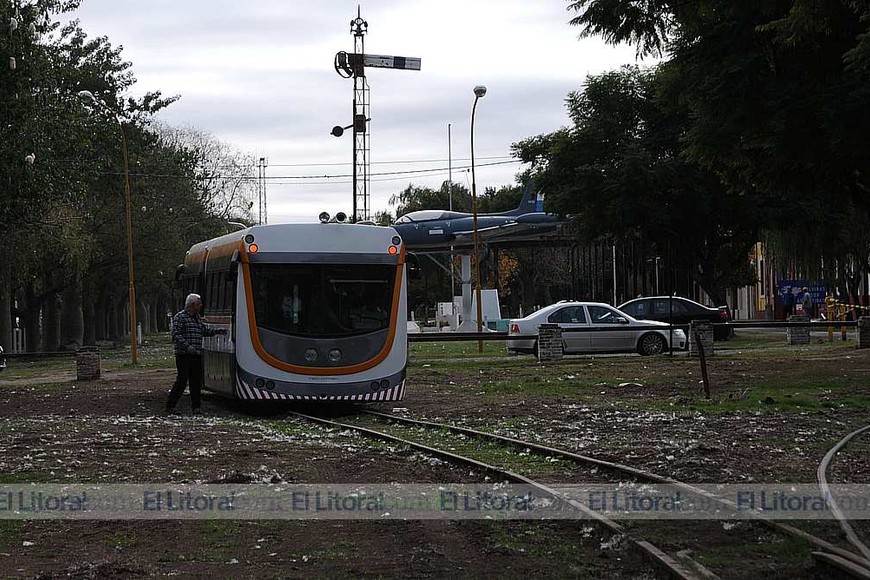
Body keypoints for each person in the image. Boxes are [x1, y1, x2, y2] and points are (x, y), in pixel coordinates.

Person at [165, 293, 226, 415]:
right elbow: (176, 335)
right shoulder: (180, 317)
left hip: (196, 355)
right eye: (199, 304)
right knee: (182, 380)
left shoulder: (197, 318)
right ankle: (170, 405)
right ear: (193, 305)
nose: (201, 306)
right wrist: (187, 347)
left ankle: (196, 407)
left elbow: (203, 331)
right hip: (183, 355)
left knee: (195, 381)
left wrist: (217, 332)